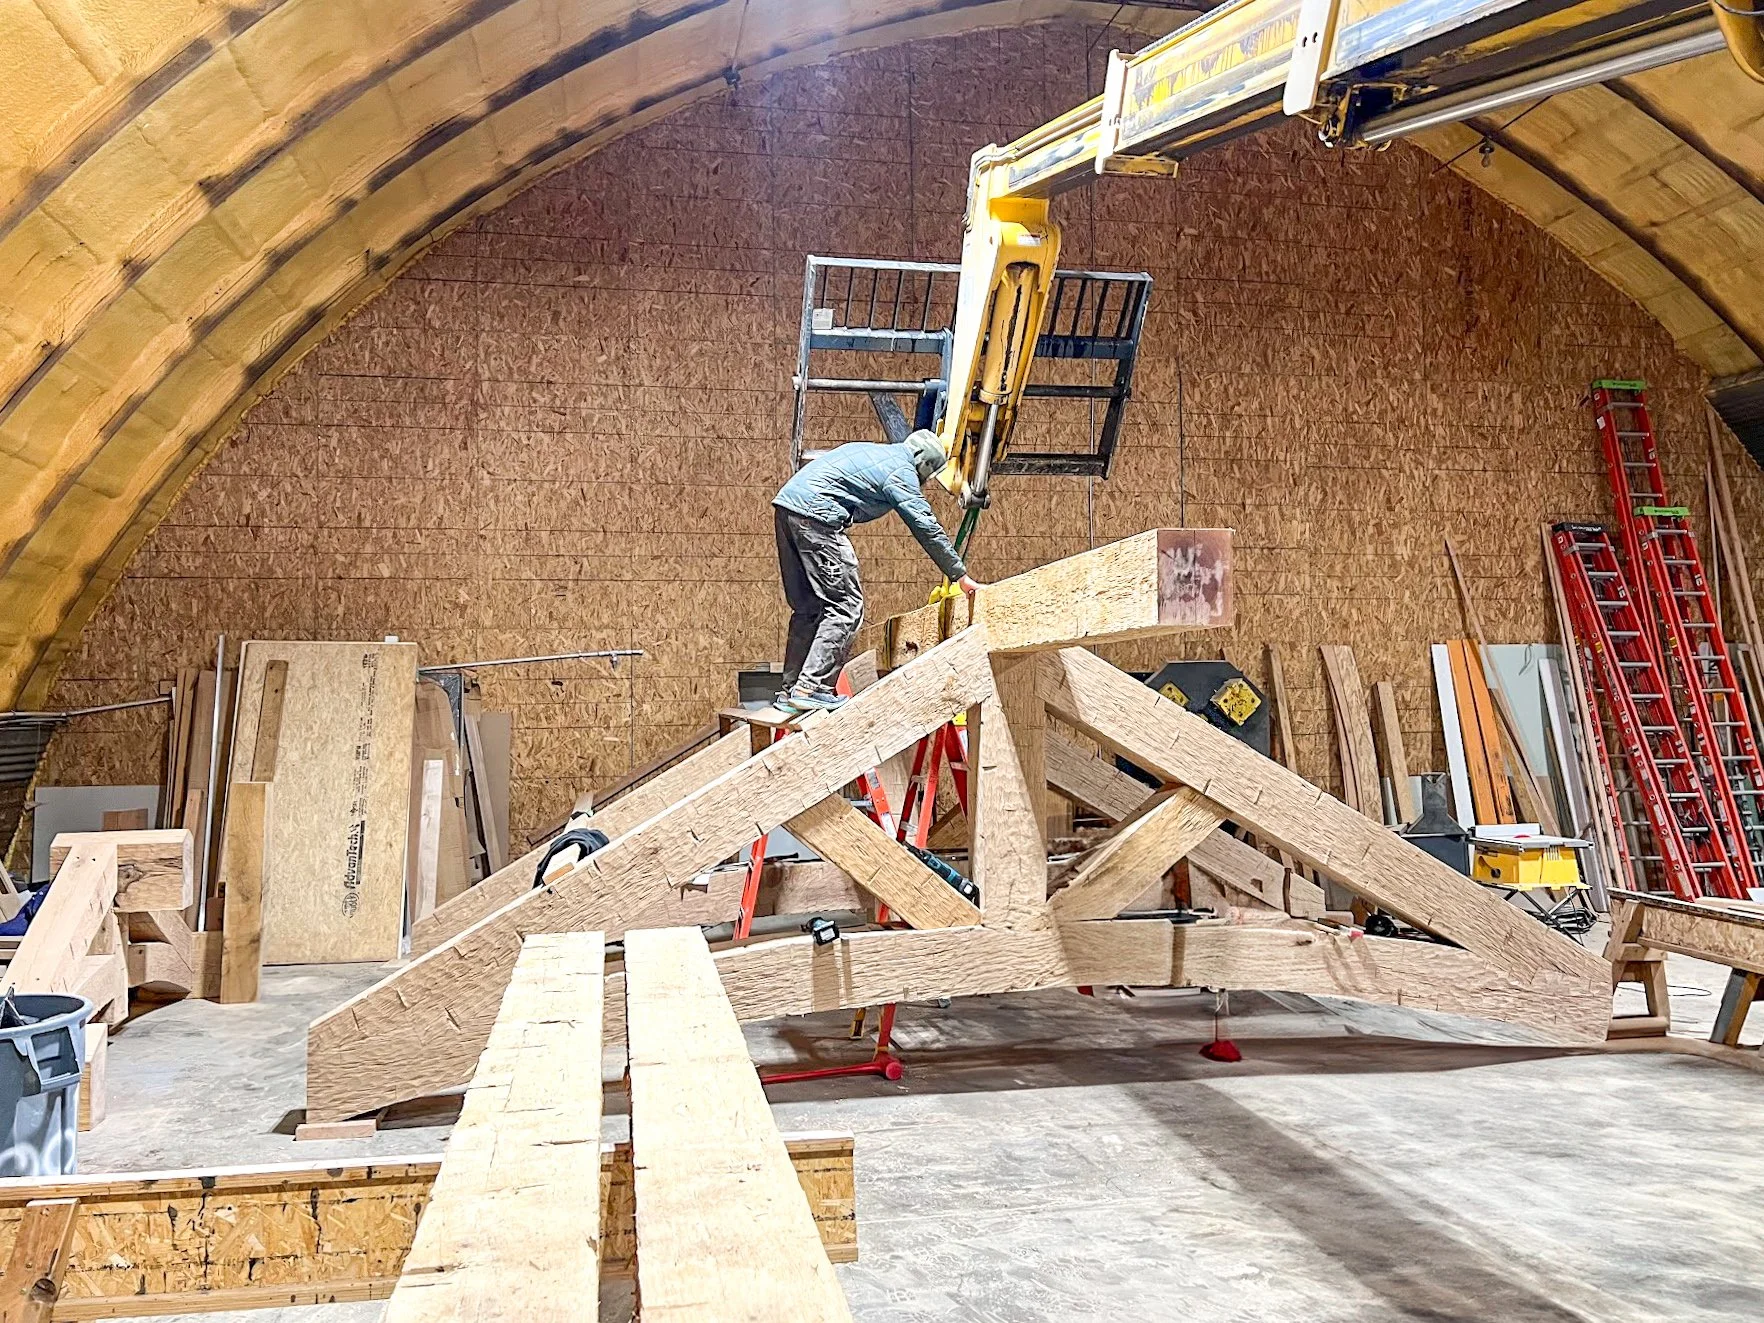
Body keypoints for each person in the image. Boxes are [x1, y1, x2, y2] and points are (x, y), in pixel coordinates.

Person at [772, 429, 981, 712]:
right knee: (846, 606)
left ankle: (791, 690)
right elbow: (925, 525)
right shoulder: (901, 470)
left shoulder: (876, 452)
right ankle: (812, 687)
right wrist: (960, 575)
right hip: (817, 518)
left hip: (788, 509)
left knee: (808, 608)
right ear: (925, 464)